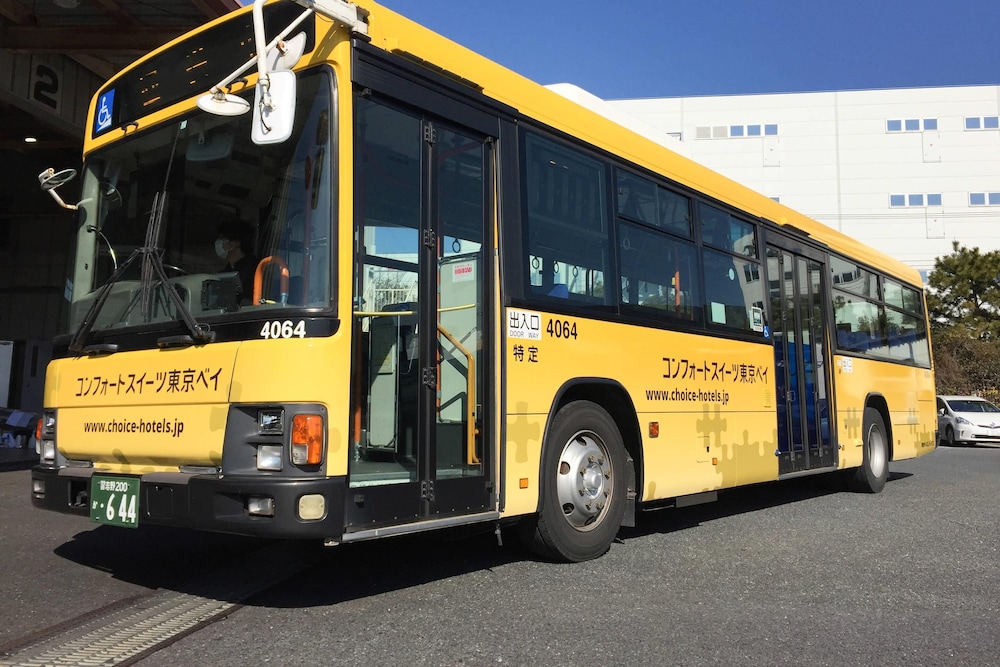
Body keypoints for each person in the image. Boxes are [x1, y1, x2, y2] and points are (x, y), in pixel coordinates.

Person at [216, 220, 258, 304]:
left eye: (222, 239)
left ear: (236, 242)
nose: (218, 243)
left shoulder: (256, 270)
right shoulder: (223, 274)